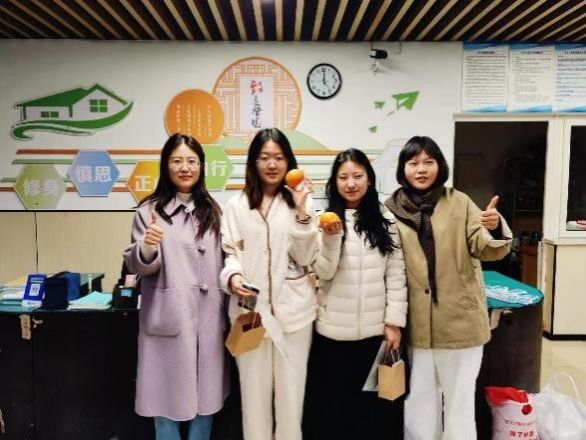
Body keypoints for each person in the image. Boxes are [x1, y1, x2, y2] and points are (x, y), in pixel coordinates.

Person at [384, 136, 512, 440]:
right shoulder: (390, 210)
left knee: (459, 405)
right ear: (403, 169)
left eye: (428, 162)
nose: (421, 169)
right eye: (413, 163)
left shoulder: (459, 202)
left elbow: (485, 247)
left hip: (460, 323)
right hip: (416, 326)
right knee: (419, 404)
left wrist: (494, 226)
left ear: (439, 166)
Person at [123, 133, 228, 440]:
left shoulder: (215, 211)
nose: (185, 168)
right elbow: (139, 266)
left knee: (205, 405)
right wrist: (148, 245)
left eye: (192, 161)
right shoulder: (149, 211)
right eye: (177, 161)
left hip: (209, 321)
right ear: (166, 166)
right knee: (165, 403)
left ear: (201, 167)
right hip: (168, 320)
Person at [220, 127, 319, 440]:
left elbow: (307, 257)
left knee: (291, 398)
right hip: (250, 316)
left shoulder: (302, 202)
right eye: (264, 157)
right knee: (253, 399)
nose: (272, 164)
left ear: (289, 162)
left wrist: (302, 211)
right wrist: (233, 277)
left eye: (278, 157)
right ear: (254, 162)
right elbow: (231, 253)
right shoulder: (236, 206)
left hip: (295, 315)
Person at [303, 148, 408, 439]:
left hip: (374, 335)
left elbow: (396, 274)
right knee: (335, 411)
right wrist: (331, 237)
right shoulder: (323, 220)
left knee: (371, 413)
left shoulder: (386, 220)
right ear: (334, 182)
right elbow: (323, 273)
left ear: (369, 179)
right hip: (333, 335)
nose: (351, 183)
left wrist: (394, 322)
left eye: (357, 176)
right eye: (343, 177)